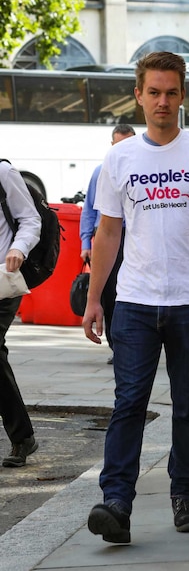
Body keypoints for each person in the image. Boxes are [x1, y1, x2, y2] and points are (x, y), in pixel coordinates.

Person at [82, 51, 189, 544]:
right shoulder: (119, 158)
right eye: (153, 92)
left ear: (183, 96)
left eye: (171, 92)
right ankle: (116, 501)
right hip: (134, 302)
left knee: (188, 405)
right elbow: (108, 234)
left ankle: (185, 495)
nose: (162, 101)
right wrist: (96, 300)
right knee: (129, 402)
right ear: (138, 95)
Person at [79, 124, 136, 364]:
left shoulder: (142, 171)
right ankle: (117, 346)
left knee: (133, 292)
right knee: (110, 294)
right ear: (111, 146)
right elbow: (89, 210)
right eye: (118, 144)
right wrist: (85, 243)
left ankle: (134, 343)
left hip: (134, 238)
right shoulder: (101, 172)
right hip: (108, 238)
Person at [0, 160, 41, 468]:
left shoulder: (4, 172)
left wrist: (19, 248)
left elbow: (30, 220)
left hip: (3, 280)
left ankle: (22, 437)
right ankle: (23, 437)